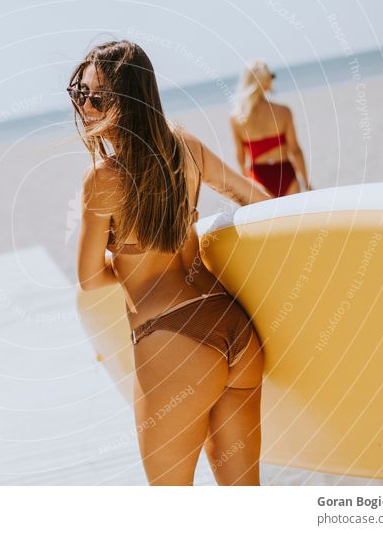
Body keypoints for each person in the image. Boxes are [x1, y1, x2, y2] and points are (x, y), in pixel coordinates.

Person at [71, 40, 271, 485]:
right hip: (235, 328)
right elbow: (254, 199)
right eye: (80, 93)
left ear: (125, 102)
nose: (86, 105)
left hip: (172, 342)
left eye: (96, 95)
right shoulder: (188, 148)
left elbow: (87, 279)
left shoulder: (102, 179)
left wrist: (124, 260)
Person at [230, 60, 311, 197]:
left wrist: (245, 180)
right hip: (285, 173)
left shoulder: (237, 119)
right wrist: (306, 182)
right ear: (265, 80)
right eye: (271, 76)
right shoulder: (284, 112)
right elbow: (295, 150)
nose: (272, 79)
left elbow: (240, 155)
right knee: (293, 217)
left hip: (257, 178)